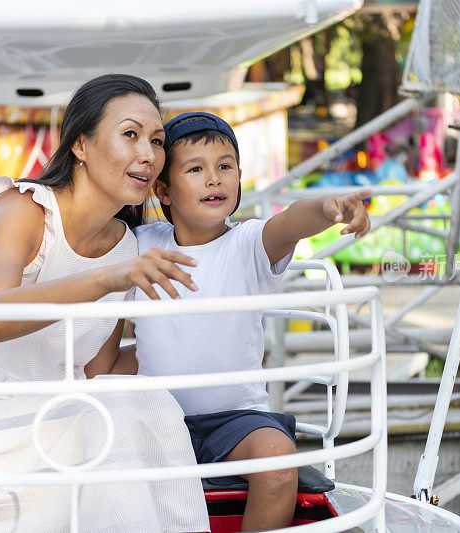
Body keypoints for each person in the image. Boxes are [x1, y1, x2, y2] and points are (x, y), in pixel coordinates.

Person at [0, 75, 210, 533]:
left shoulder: (125, 247)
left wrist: (197, 338)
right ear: (81, 144)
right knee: (105, 423)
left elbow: (97, 368)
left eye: (157, 140)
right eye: (130, 135)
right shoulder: (23, 211)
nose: (149, 154)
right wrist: (106, 278)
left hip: (55, 404)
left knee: (152, 405)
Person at [133, 112, 371, 531]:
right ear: (164, 190)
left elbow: (291, 221)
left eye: (225, 167)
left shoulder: (248, 244)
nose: (215, 180)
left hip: (236, 420)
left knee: (280, 464)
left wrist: (326, 207)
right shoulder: (140, 245)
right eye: (196, 169)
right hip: (155, 417)